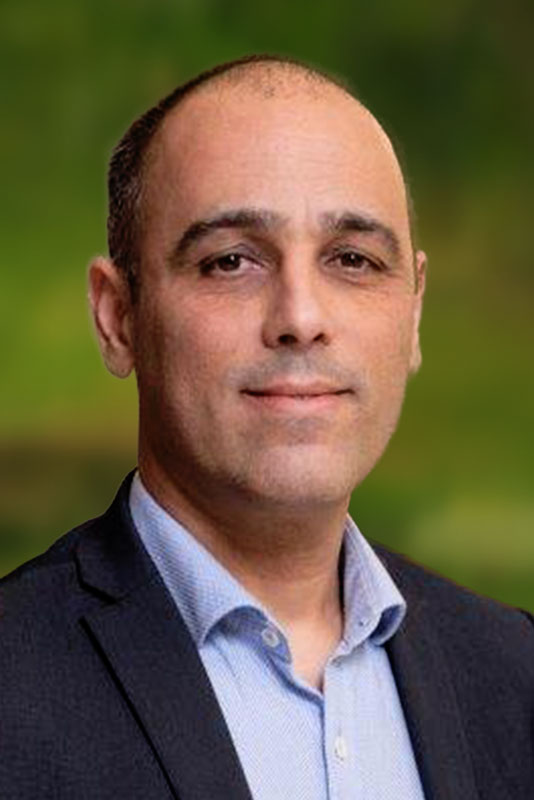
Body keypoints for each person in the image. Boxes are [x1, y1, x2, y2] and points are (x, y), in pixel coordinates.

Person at [1, 55, 532, 800]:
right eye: (230, 262)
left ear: (413, 314)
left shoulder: (515, 672)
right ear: (118, 318)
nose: (301, 319)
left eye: (353, 259)